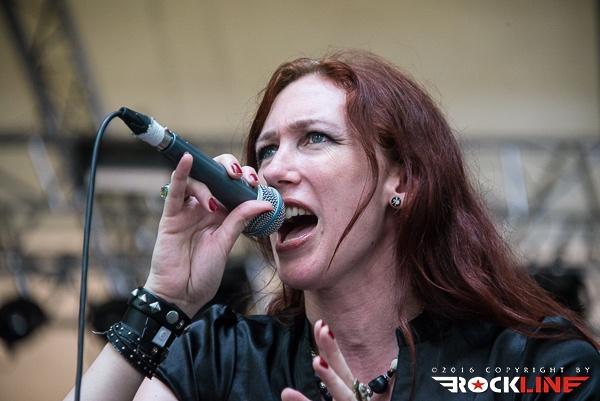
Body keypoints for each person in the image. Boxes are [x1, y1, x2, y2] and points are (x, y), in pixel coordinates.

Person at [65, 50, 600, 401]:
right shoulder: (224, 358)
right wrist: (164, 300)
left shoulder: (536, 365)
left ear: (402, 179)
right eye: (266, 150)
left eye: (315, 138)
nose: (274, 170)